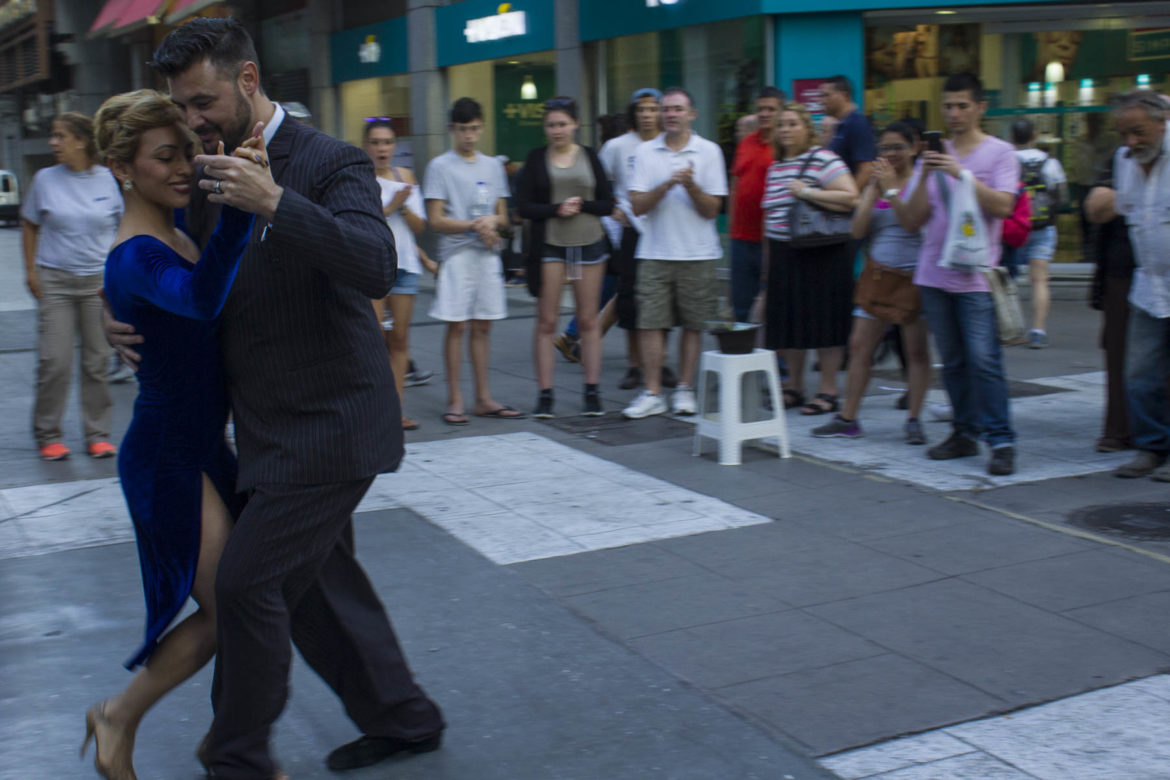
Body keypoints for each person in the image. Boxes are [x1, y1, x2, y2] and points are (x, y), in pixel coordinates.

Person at [105, 18, 445, 777]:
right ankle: (404, 716)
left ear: (248, 80)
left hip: (332, 425)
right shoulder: (204, 168)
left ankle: (236, 759)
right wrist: (117, 312)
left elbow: (375, 267)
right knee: (320, 590)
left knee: (249, 582)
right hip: (263, 432)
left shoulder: (330, 160)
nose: (193, 123)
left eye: (202, 102)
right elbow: (176, 272)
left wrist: (275, 203)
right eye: (182, 108)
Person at [81, 88, 262, 780]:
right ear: (124, 168)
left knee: (240, 607)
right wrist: (243, 213)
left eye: (187, 150)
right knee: (223, 612)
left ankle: (230, 744)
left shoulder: (177, 229)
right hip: (165, 456)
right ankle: (118, 717)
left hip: (201, 448)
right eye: (165, 156)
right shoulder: (135, 254)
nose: (184, 166)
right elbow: (198, 297)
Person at [903, 72, 1019, 476]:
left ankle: (1001, 439)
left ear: (980, 108)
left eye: (962, 105)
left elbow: (1004, 206)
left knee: (983, 360)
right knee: (951, 361)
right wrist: (924, 171)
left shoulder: (1000, 153)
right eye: (948, 106)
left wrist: (959, 173)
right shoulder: (934, 155)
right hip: (934, 274)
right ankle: (964, 432)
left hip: (976, 276)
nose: (953, 113)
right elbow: (914, 218)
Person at [812, 121, 928, 443]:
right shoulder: (879, 182)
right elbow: (858, 231)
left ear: (914, 147)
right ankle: (848, 417)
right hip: (877, 277)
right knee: (859, 347)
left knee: (916, 351)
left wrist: (891, 191)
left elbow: (911, 223)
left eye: (897, 148)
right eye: (884, 148)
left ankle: (914, 419)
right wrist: (872, 192)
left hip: (912, 279)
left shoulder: (922, 181)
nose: (890, 154)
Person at [21, 112, 122, 461]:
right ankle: (48, 433)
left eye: (59, 136)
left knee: (97, 361)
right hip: (57, 282)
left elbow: (124, 227)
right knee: (55, 361)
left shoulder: (108, 180)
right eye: (52, 135)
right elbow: (30, 224)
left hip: (98, 283)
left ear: (81, 140)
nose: (53, 142)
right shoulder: (45, 179)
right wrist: (31, 272)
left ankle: (98, 434)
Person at [623, 87, 728, 419]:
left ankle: (684, 388)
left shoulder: (709, 152)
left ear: (691, 114)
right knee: (650, 323)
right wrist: (668, 184)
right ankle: (652, 391)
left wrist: (691, 186)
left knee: (693, 325)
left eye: (677, 109)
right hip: (654, 251)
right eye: (665, 109)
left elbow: (713, 209)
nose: (670, 114)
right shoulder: (644, 152)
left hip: (698, 253)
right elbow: (637, 206)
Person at [425, 97, 524, 424]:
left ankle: (483, 397)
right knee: (457, 326)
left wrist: (493, 224)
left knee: (483, 327)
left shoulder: (493, 165)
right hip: (456, 256)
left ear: (482, 127)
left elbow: (504, 218)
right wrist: (473, 225)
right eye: (463, 130)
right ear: (453, 129)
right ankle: (455, 399)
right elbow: (435, 219)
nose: (469, 135)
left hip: (487, 255)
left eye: (475, 129)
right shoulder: (440, 166)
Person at [516, 96, 615, 418]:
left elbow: (607, 202)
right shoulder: (535, 158)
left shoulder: (589, 156)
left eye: (562, 124)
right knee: (546, 321)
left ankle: (592, 391)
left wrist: (581, 205)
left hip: (590, 242)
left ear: (575, 125)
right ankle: (545, 394)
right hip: (551, 245)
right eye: (551, 125)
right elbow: (524, 206)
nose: (557, 130)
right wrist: (556, 209)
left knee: (588, 319)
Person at [760, 102, 859, 415]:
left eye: (793, 124)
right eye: (781, 125)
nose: (786, 130)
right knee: (788, 323)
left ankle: (828, 390)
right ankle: (794, 387)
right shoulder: (775, 167)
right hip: (782, 251)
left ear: (807, 128)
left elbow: (850, 197)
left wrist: (807, 193)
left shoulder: (823, 159)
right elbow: (771, 217)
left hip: (820, 252)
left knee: (824, 321)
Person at [1091, 92, 1170, 480]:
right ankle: (1151, 447)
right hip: (1148, 286)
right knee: (1140, 373)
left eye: (1138, 132)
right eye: (1124, 133)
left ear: (1162, 122)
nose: (1131, 142)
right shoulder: (1125, 162)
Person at [598, 87, 678, 391]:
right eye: (641, 109)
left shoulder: (669, 144)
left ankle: (659, 362)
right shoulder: (618, 146)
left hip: (664, 229)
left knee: (664, 299)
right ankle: (634, 365)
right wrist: (612, 209)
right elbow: (597, 183)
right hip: (631, 229)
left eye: (653, 109)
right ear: (634, 113)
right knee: (630, 298)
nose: (647, 115)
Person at [363, 118, 437, 430]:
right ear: (366, 146)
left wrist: (404, 208)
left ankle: (396, 409)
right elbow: (360, 223)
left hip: (404, 265)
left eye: (388, 142)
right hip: (371, 265)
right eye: (376, 142)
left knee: (400, 339)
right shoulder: (359, 176)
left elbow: (421, 226)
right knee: (374, 339)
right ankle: (373, 409)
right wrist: (391, 206)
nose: (382, 149)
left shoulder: (404, 176)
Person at [1085, 151, 1136, 453]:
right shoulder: (1122, 159)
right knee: (1119, 351)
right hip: (1124, 270)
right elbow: (1096, 207)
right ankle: (1121, 430)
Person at [1011, 117, 1067, 348]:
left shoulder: (1008, 162)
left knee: (1006, 279)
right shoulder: (1051, 163)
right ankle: (1038, 331)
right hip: (1043, 227)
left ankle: (1010, 328)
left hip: (1015, 227)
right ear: (1035, 135)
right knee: (1040, 280)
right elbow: (1063, 198)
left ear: (1012, 138)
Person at [729, 86, 784, 323]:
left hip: (772, 239)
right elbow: (735, 185)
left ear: (781, 111)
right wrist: (731, 228)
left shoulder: (786, 147)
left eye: (771, 109)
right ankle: (744, 356)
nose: (765, 114)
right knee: (741, 304)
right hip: (741, 238)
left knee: (774, 303)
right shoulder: (746, 143)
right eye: (761, 109)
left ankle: (777, 360)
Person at [820, 75, 876, 190]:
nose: (822, 101)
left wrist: (850, 198)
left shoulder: (857, 123)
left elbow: (866, 168)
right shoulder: (838, 126)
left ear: (845, 95)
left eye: (827, 95)